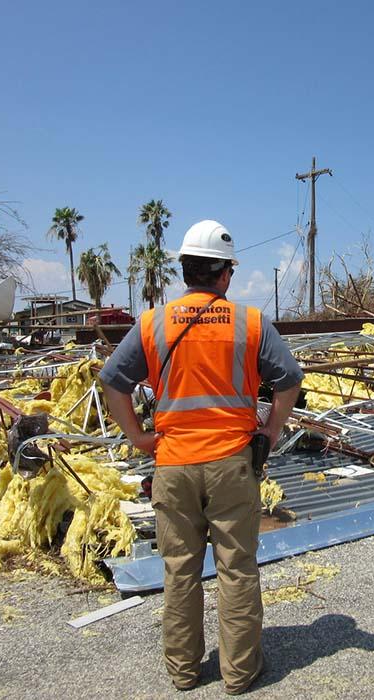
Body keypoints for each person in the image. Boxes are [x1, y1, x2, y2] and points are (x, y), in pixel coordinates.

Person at [99, 219, 303, 694]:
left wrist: (137, 438)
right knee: (237, 570)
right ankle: (239, 673)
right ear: (226, 273)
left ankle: (184, 672)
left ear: (186, 270)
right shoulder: (251, 324)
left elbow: (113, 382)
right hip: (233, 464)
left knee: (180, 572)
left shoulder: (152, 323)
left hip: (173, 465)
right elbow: (289, 380)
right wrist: (270, 432)